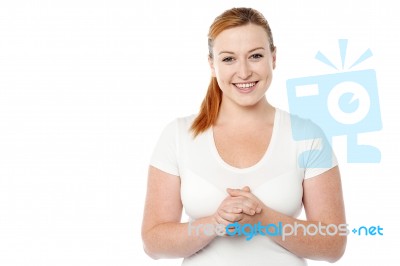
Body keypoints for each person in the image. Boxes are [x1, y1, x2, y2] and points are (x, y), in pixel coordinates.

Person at [141, 7, 346, 265]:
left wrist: (264, 219)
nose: (244, 72)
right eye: (228, 59)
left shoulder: (308, 137)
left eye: (256, 56)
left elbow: (333, 244)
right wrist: (215, 224)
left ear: (273, 58)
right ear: (212, 65)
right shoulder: (178, 136)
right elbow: (153, 242)